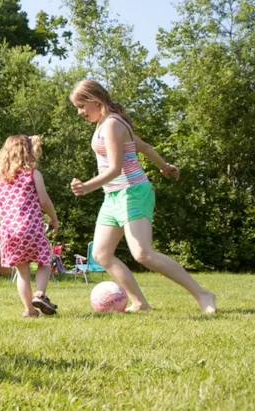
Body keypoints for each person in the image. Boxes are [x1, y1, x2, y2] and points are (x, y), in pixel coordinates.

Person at [69, 79, 216, 314]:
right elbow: (144, 146)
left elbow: (115, 168)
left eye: (81, 106)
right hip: (114, 196)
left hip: (133, 192)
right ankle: (139, 303)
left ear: (94, 101)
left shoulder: (112, 124)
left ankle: (203, 294)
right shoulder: (105, 124)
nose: (80, 112)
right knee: (101, 253)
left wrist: (87, 186)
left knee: (143, 253)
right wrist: (164, 166)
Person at [0, 135, 59, 317]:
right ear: (28, 152)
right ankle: (40, 294)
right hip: (31, 227)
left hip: (9, 232)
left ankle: (29, 310)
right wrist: (54, 218)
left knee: (22, 272)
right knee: (44, 261)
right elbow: (44, 200)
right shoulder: (33, 174)